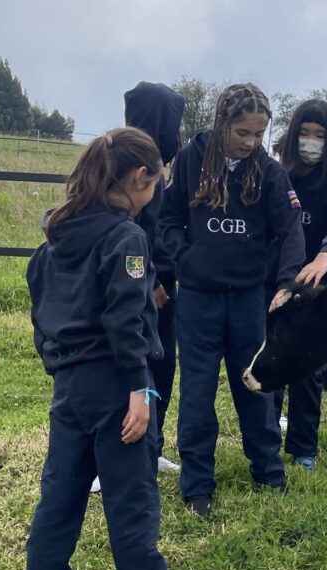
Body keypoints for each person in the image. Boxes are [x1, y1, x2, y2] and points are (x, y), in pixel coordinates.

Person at [23, 127, 207, 570]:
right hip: (119, 385)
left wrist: (57, 362)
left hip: (69, 388)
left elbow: (38, 299)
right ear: (139, 178)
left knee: (59, 498)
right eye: (156, 185)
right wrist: (139, 390)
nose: (156, 196)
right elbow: (128, 317)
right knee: (132, 501)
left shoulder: (57, 233)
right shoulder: (127, 237)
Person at [158, 83, 305, 517]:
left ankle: (268, 473)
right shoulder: (190, 161)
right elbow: (167, 220)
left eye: (259, 134)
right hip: (198, 301)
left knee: (256, 388)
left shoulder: (270, 172)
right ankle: (197, 486)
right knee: (197, 393)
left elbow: (290, 229)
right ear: (223, 122)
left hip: (248, 300)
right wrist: (184, 260)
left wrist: (285, 283)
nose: (251, 143)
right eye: (243, 132)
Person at [88, 82, 186, 495]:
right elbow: (138, 237)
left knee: (162, 363)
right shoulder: (128, 171)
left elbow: (165, 233)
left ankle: (153, 444)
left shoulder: (159, 171)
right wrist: (155, 282)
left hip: (161, 291)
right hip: (136, 290)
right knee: (126, 366)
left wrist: (165, 281)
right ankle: (102, 459)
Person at [272, 99, 327, 471]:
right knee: (272, 359)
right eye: (304, 133)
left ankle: (303, 449)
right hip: (277, 280)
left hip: (320, 284)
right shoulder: (275, 174)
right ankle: (266, 435)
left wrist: (325, 254)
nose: (310, 141)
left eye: (319, 135)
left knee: (309, 369)